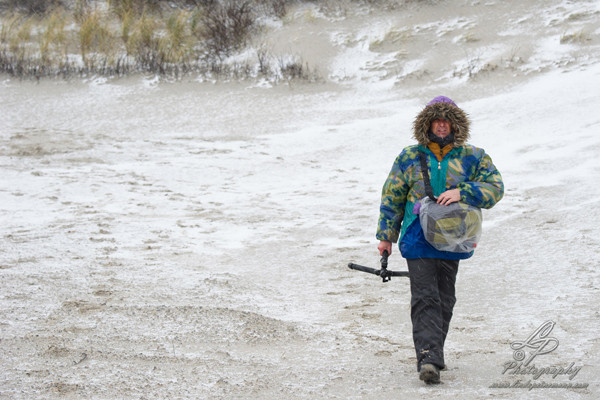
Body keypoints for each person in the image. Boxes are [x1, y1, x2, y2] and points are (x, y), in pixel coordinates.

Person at [376, 96, 504, 384]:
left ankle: (434, 350)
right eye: (436, 120)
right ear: (427, 124)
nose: (442, 125)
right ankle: (428, 357)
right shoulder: (409, 156)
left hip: (453, 238)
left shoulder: (473, 156)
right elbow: (392, 197)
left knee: (446, 298)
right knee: (425, 296)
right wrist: (386, 237)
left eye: (447, 120)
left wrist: (463, 192)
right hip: (415, 236)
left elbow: (496, 188)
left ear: (456, 124)